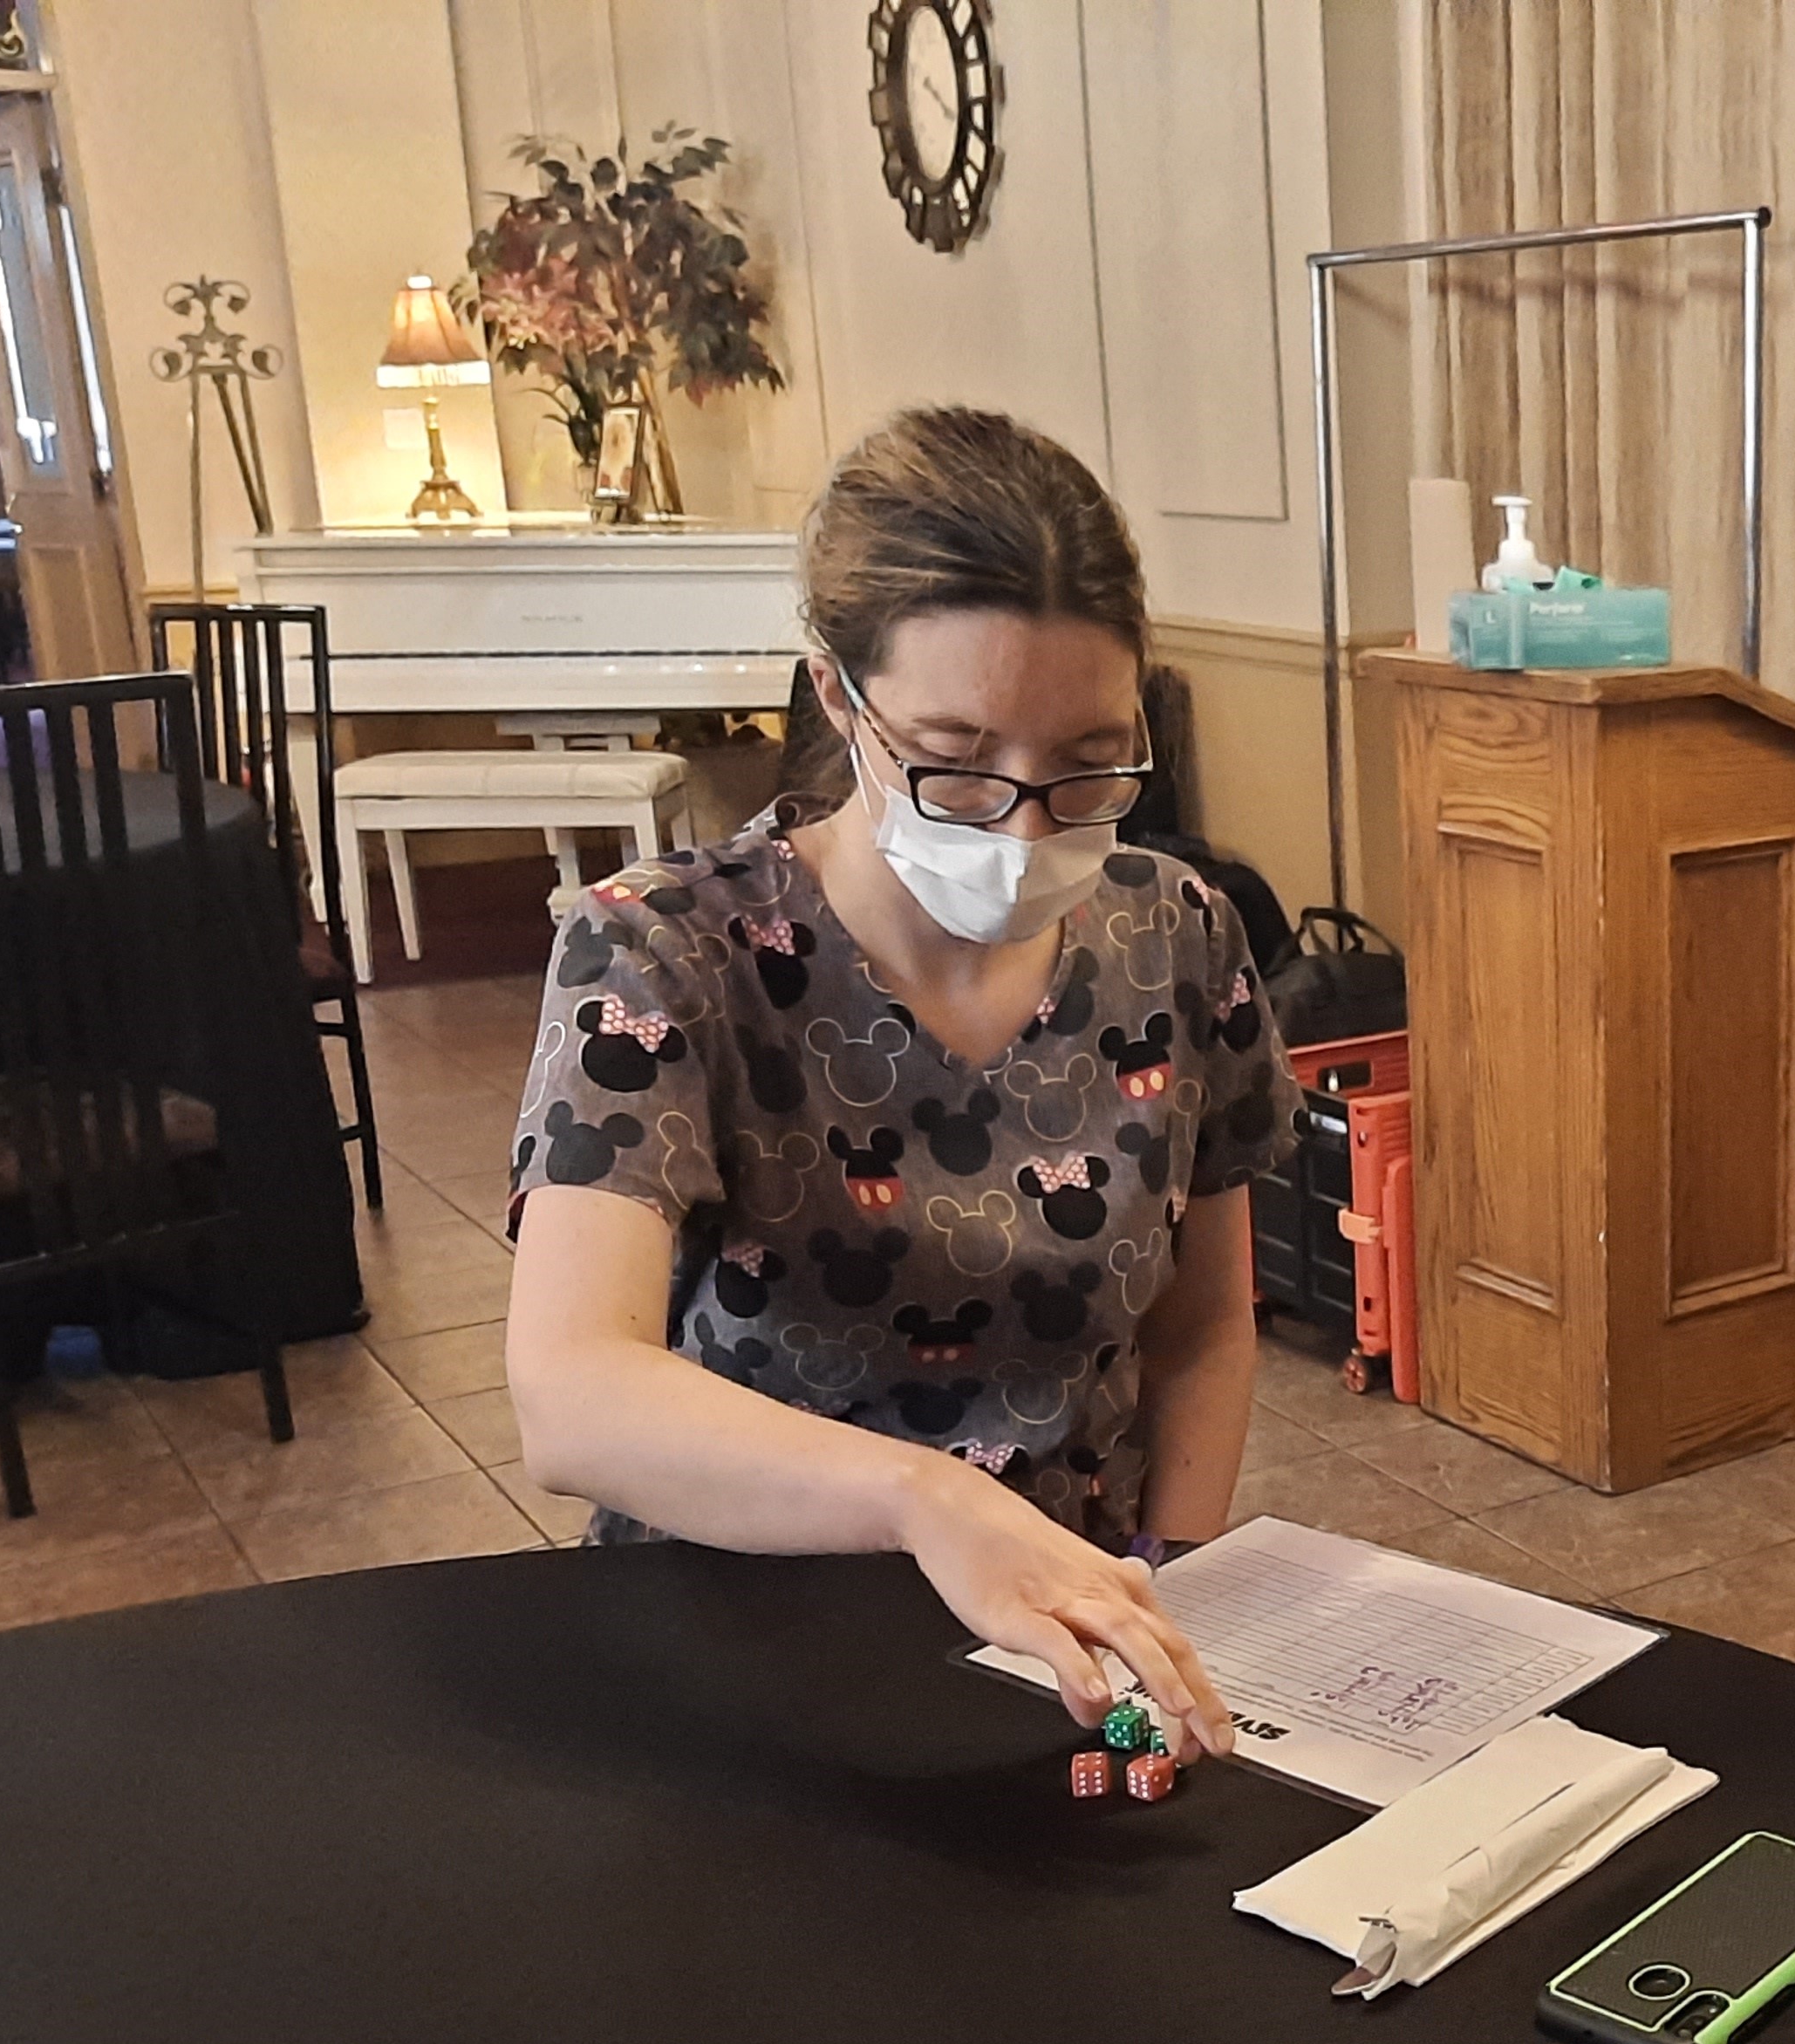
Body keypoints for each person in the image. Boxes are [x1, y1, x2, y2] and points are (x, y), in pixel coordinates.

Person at [508, 406, 1293, 1756]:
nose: (1030, 819)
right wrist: (926, 1500)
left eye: (1091, 763)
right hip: (730, 1654)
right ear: (839, 699)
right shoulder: (662, 948)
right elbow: (572, 1393)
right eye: (960, 758)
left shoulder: (1176, 933)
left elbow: (1207, 1328)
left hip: (1057, 1651)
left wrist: (1172, 1577)